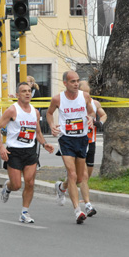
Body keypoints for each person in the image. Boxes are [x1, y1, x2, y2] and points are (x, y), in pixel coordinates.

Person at [0, 82, 54, 223]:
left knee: (30, 183)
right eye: (24, 91)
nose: (27, 93)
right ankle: (7, 187)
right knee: (16, 185)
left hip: (30, 151)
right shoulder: (12, 110)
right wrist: (1, 147)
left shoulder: (35, 111)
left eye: (29, 91)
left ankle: (24, 212)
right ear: (17, 95)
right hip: (14, 151)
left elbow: (37, 132)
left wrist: (45, 144)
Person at [46, 71, 96, 224]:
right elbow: (49, 113)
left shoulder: (84, 96)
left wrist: (91, 118)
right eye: (72, 81)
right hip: (66, 139)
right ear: (65, 83)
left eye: (77, 81)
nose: (76, 84)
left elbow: (92, 111)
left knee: (80, 177)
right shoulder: (57, 99)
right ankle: (77, 211)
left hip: (81, 138)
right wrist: (52, 126)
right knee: (72, 174)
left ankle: (61, 187)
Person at [78, 81, 107, 178]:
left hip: (91, 140)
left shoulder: (95, 103)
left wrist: (100, 123)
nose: (86, 95)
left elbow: (103, 115)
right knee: (77, 169)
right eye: (83, 92)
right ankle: (70, 184)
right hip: (77, 139)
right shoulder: (73, 103)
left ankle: (83, 183)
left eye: (87, 92)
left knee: (89, 167)